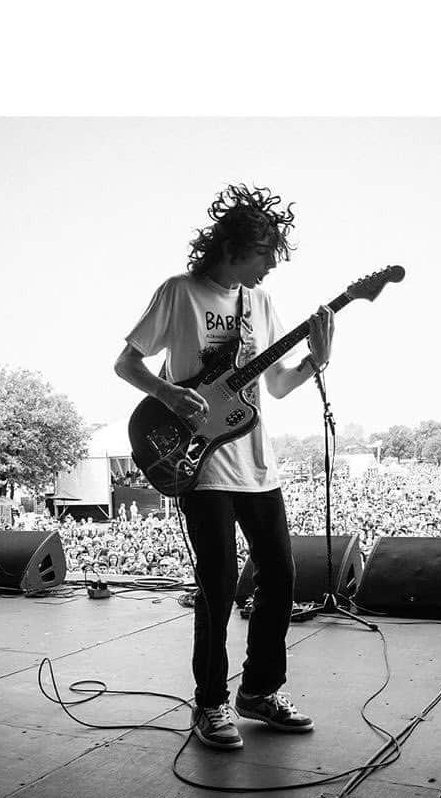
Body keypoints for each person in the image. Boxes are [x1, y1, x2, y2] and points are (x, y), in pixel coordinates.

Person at [115, 183, 334, 750]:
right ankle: (209, 702)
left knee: (281, 576)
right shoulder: (180, 293)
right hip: (201, 463)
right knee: (215, 585)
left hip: (259, 466)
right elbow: (126, 363)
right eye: (266, 255)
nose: (270, 267)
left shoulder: (259, 305)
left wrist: (316, 358)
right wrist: (167, 394)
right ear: (239, 246)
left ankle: (258, 691)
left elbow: (278, 386)